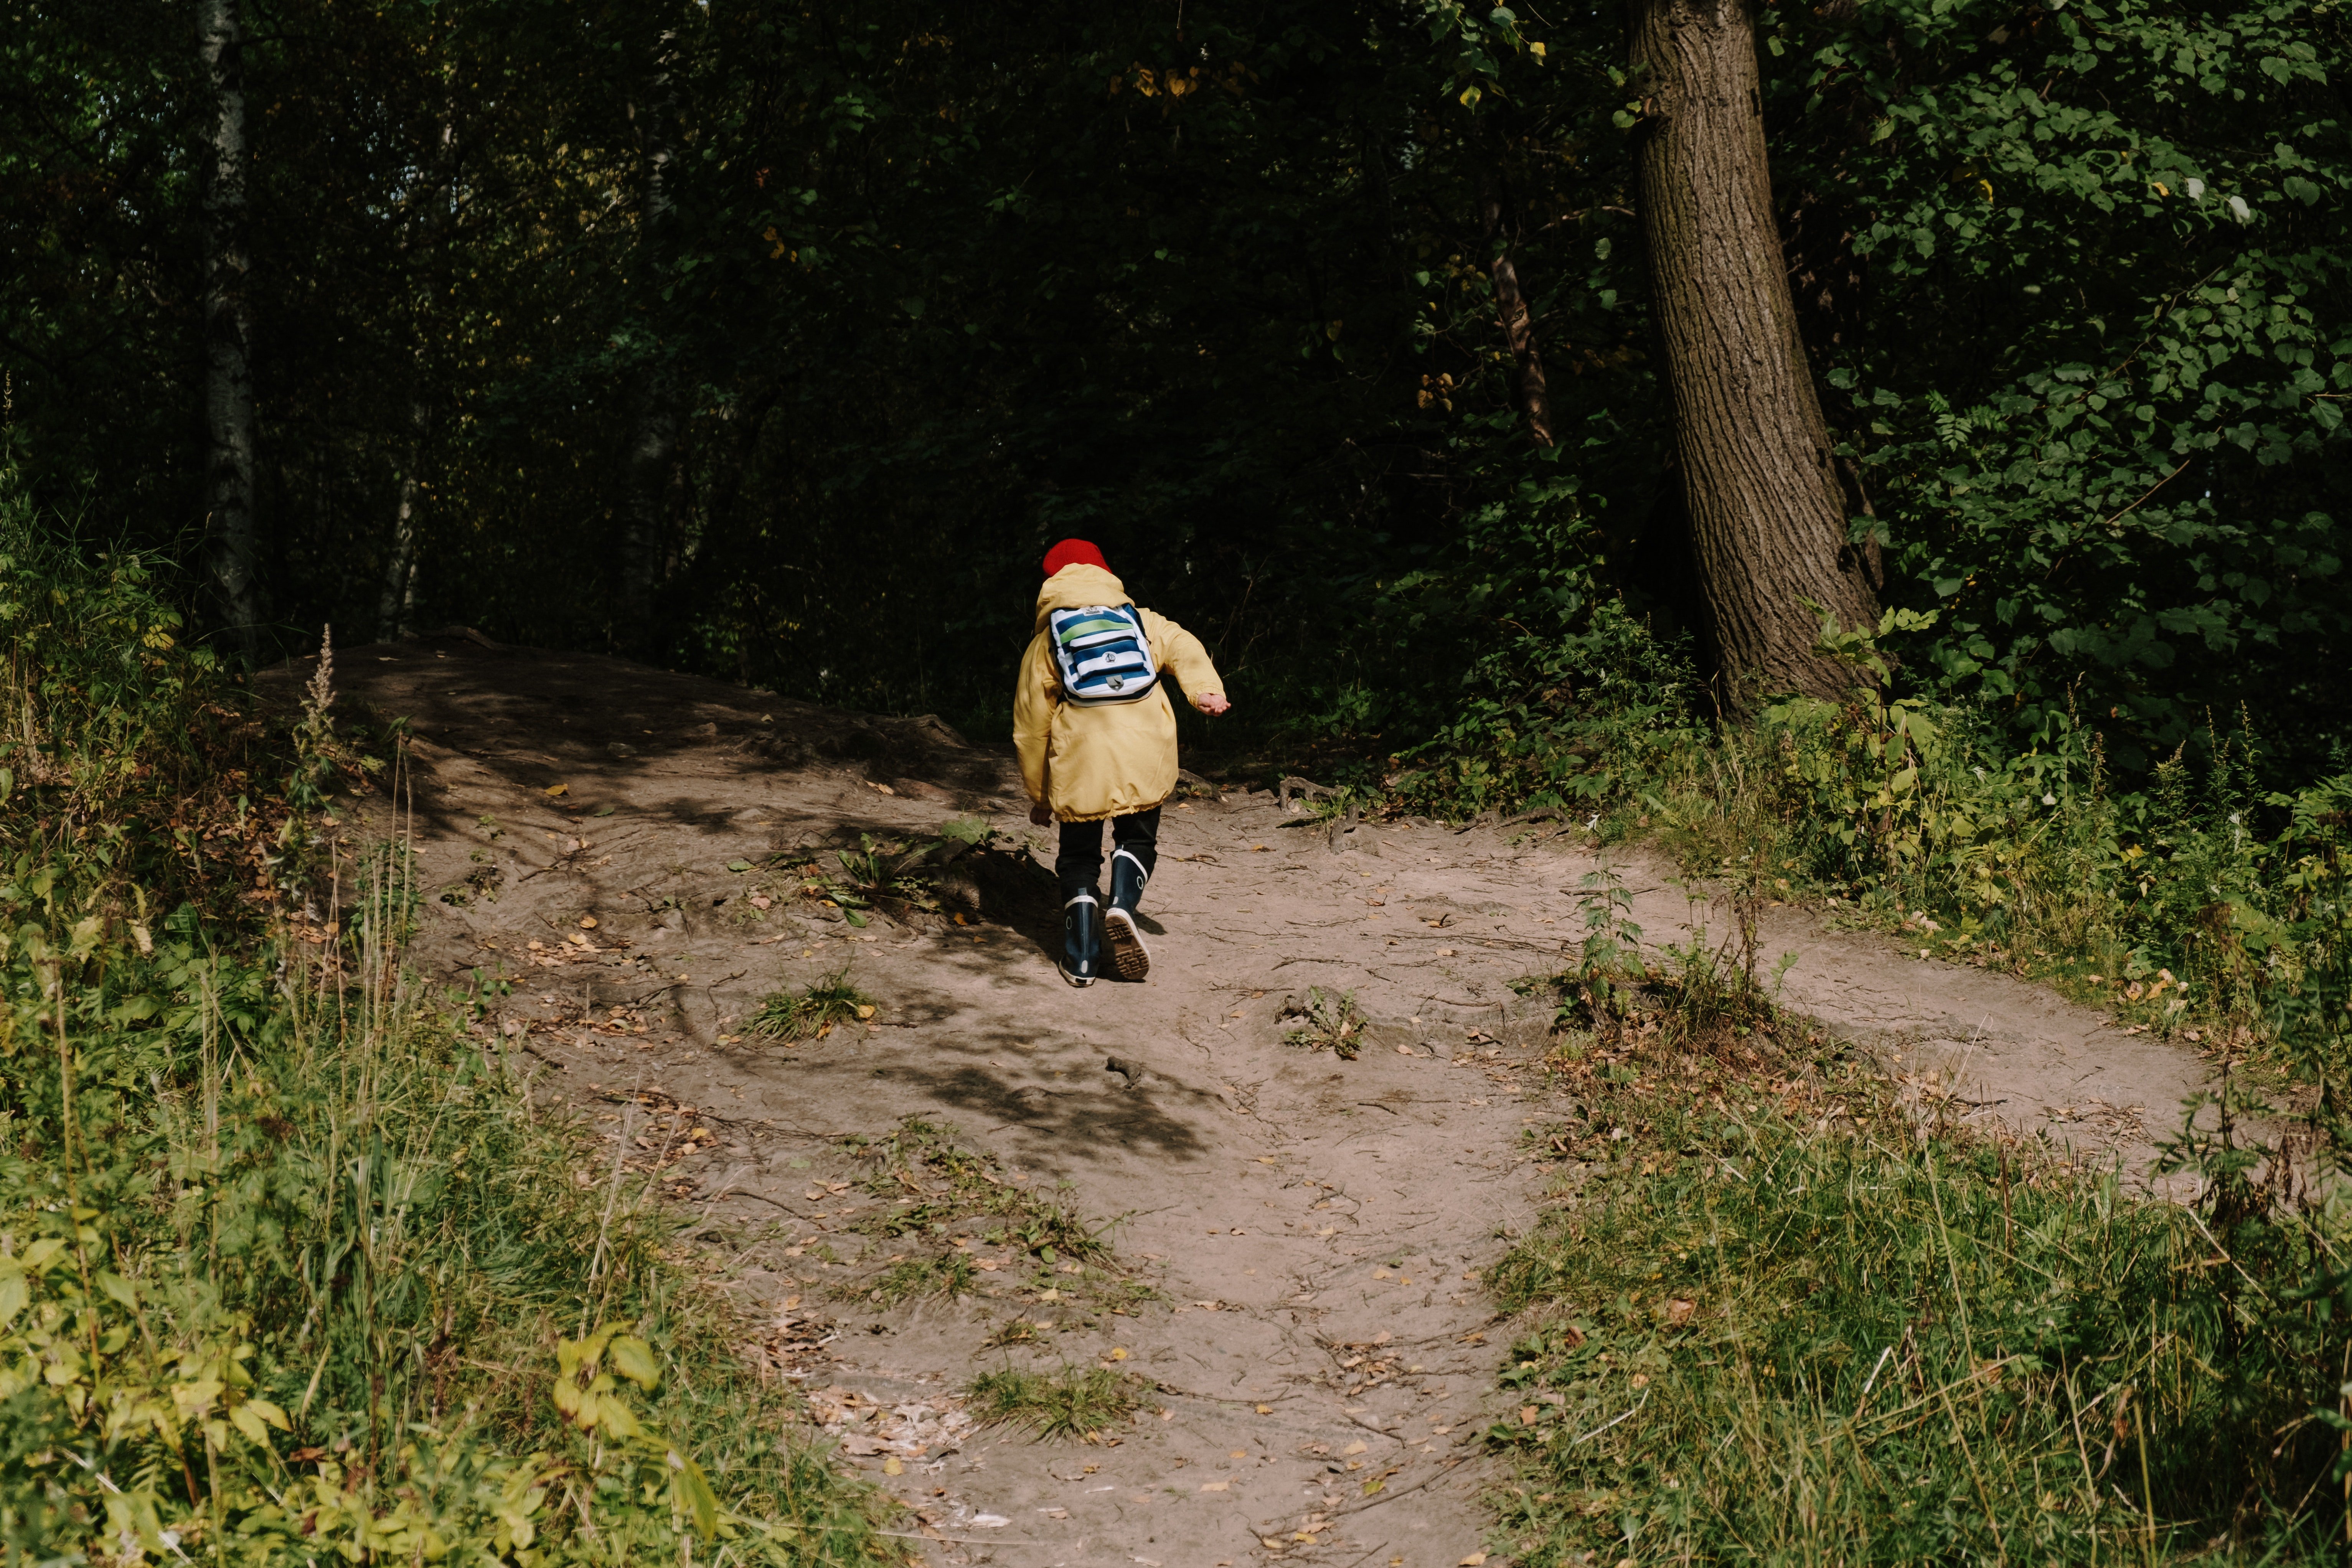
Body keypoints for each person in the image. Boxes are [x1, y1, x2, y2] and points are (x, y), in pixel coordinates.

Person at [1014, 539, 1229, 986]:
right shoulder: (1141, 621)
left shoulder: (1046, 643)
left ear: (1051, 583)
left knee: (1078, 856)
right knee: (1139, 838)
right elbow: (1183, 645)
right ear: (1107, 574)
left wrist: (1039, 794)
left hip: (1082, 755)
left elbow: (1031, 725)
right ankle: (1122, 907)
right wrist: (1204, 690)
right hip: (1144, 745)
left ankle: (1082, 960)